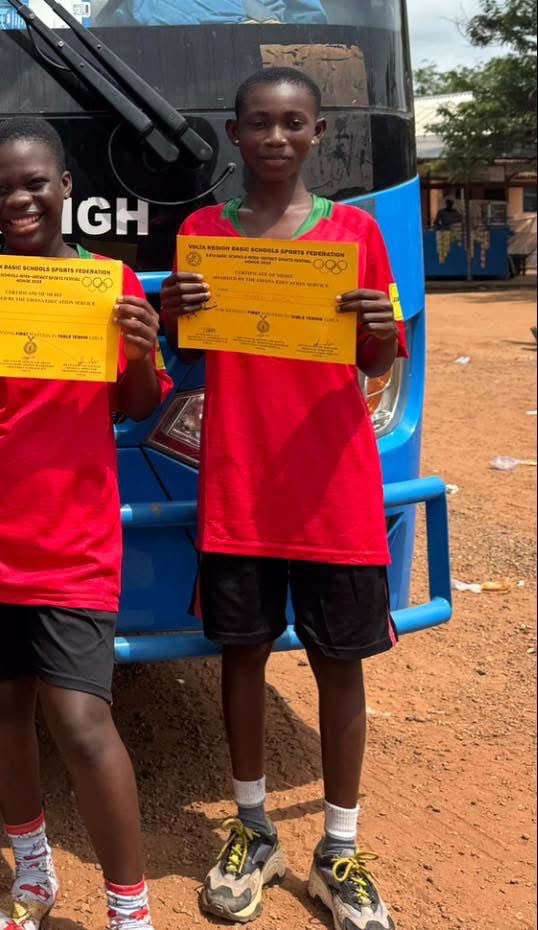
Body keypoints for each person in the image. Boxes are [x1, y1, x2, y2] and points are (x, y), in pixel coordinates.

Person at [0, 117, 172, 930]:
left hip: (73, 537)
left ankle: (130, 909)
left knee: (83, 719)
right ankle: (33, 872)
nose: (18, 198)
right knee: (1, 708)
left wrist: (139, 352)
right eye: (0, 188)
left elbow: (136, 407)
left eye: (33, 183)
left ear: (67, 188)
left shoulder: (112, 284)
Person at [159, 67, 406, 930]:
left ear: (316, 134)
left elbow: (377, 363)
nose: (274, 137)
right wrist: (171, 307)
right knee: (243, 657)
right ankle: (253, 825)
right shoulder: (202, 233)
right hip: (239, 490)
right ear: (234, 134)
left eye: (291, 123)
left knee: (339, 666)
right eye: (258, 123)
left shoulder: (356, 233)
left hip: (333, 489)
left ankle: (340, 846)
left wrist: (377, 323)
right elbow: (186, 350)